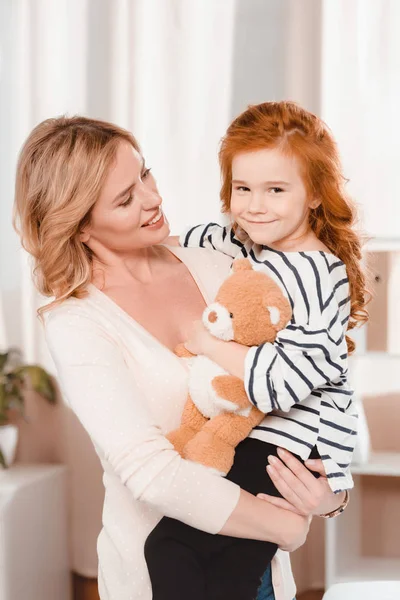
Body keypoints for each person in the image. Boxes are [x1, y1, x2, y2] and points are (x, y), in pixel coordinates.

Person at [13, 115, 348, 600]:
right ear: (81, 225)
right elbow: (150, 471)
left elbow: (305, 391)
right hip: (161, 578)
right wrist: (285, 528)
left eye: (144, 175)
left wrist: (331, 495)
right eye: (125, 199)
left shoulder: (219, 265)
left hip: (260, 573)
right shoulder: (79, 322)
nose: (153, 199)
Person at [145, 101, 368, 600]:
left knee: (170, 548)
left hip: (280, 446)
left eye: (275, 190)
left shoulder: (315, 272)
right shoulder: (259, 248)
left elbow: (281, 382)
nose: (255, 205)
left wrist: (204, 343)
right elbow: (203, 237)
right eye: (242, 188)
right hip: (262, 439)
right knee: (227, 576)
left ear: (314, 195)